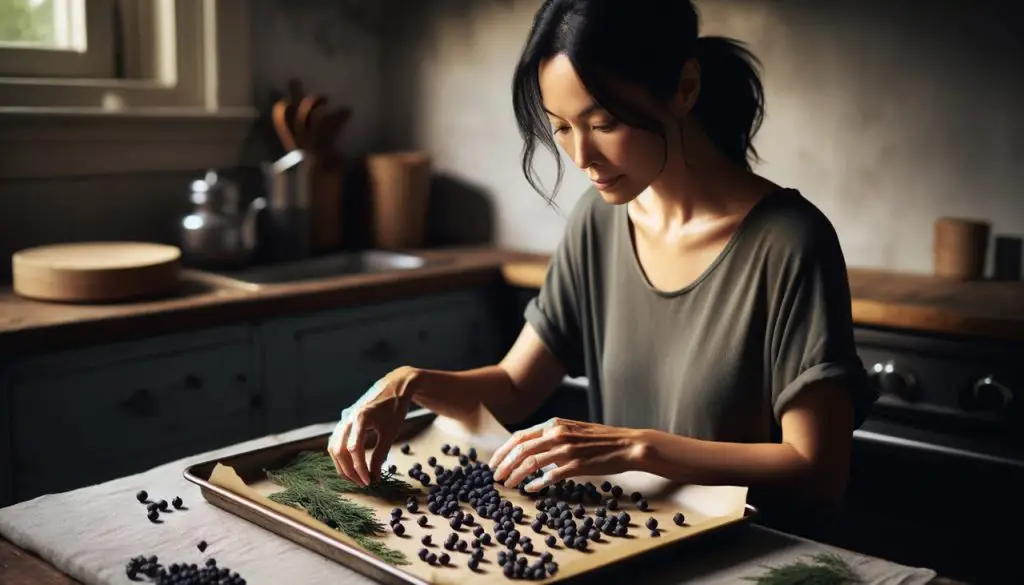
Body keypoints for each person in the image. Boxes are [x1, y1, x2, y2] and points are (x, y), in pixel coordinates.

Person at [327, 0, 876, 515]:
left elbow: (819, 468)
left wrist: (639, 448)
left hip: (754, 553)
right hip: (629, 540)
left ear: (684, 88)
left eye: (603, 124)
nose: (582, 157)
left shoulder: (790, 242)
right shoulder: (598, 219)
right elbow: (515, 388)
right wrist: (405, 382)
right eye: (562, 128)